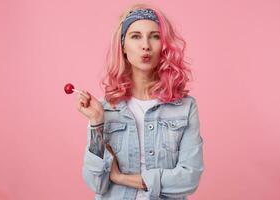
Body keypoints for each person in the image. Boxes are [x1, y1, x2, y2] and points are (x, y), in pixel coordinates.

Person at [77, 3, 204, 200]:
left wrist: (121, 178)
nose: (146, 45)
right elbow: (96, 184)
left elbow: (189, 179)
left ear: (164, 46)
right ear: (123, 46)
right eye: (136, 36)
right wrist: (96, 123)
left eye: (155, 36)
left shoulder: (185, 107)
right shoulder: (104, 109)